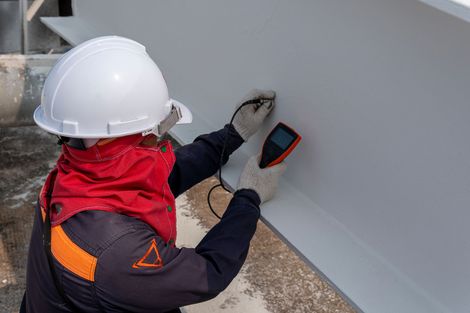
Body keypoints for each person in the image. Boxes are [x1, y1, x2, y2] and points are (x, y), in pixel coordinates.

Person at [20, 36, 286, 313]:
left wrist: (233, 135)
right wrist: (248, 198)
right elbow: (207, 272)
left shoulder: (73, 175)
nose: (161, 142)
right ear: (137, 136)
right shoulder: (117, 254)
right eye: (157, 134)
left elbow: (163, 174)